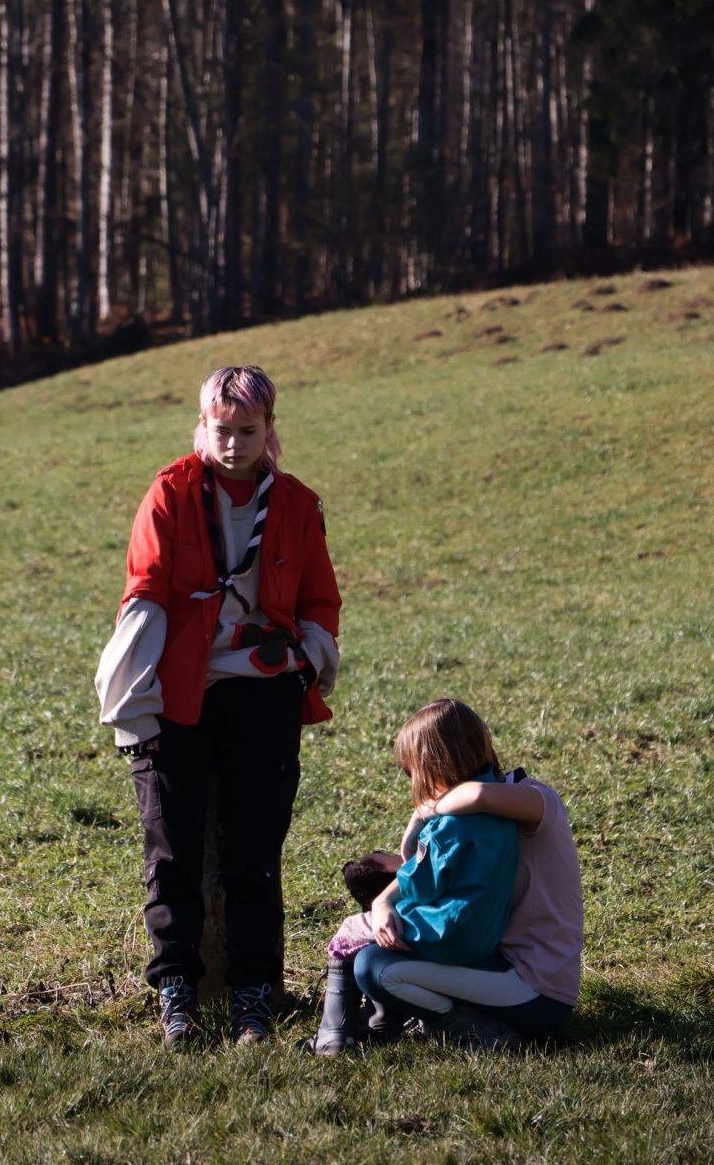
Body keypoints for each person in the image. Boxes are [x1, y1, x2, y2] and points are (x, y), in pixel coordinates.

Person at [95, 365, 341, 1048]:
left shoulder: (296, 503)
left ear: (270, 430)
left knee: (255, 853)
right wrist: (132, 700)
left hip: (263, 691)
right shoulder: (171, 493)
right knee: (170, 851)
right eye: (222, 430)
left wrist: (308, 658)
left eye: (248, 431)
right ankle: (176, 994)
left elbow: (320, 597)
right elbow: (144, 592)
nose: (233, 445)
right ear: (203, 427)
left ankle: (253, 1000)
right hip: (179, 693)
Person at [300, 698, 520, 1055]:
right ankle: (380, 1024)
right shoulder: (502, 810)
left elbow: (421, 888)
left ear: (432, 765)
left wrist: (408, 859)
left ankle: (333, 1036)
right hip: (484, 934)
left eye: (411, 770)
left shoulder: (447, 826)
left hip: (447, 932)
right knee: (375, 936)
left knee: (349, 932)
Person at [355, 748, 584, 1048]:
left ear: (440, 766)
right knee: (376, 947)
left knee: (374, 966)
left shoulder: (535, 799)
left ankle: (484, 1034)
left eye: (415, 772)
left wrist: (425, 811)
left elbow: (479, 795)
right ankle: (368, 1024)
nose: (417, 784)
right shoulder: (469, 816)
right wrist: (383, 902)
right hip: (499, 966)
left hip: (536, 988)